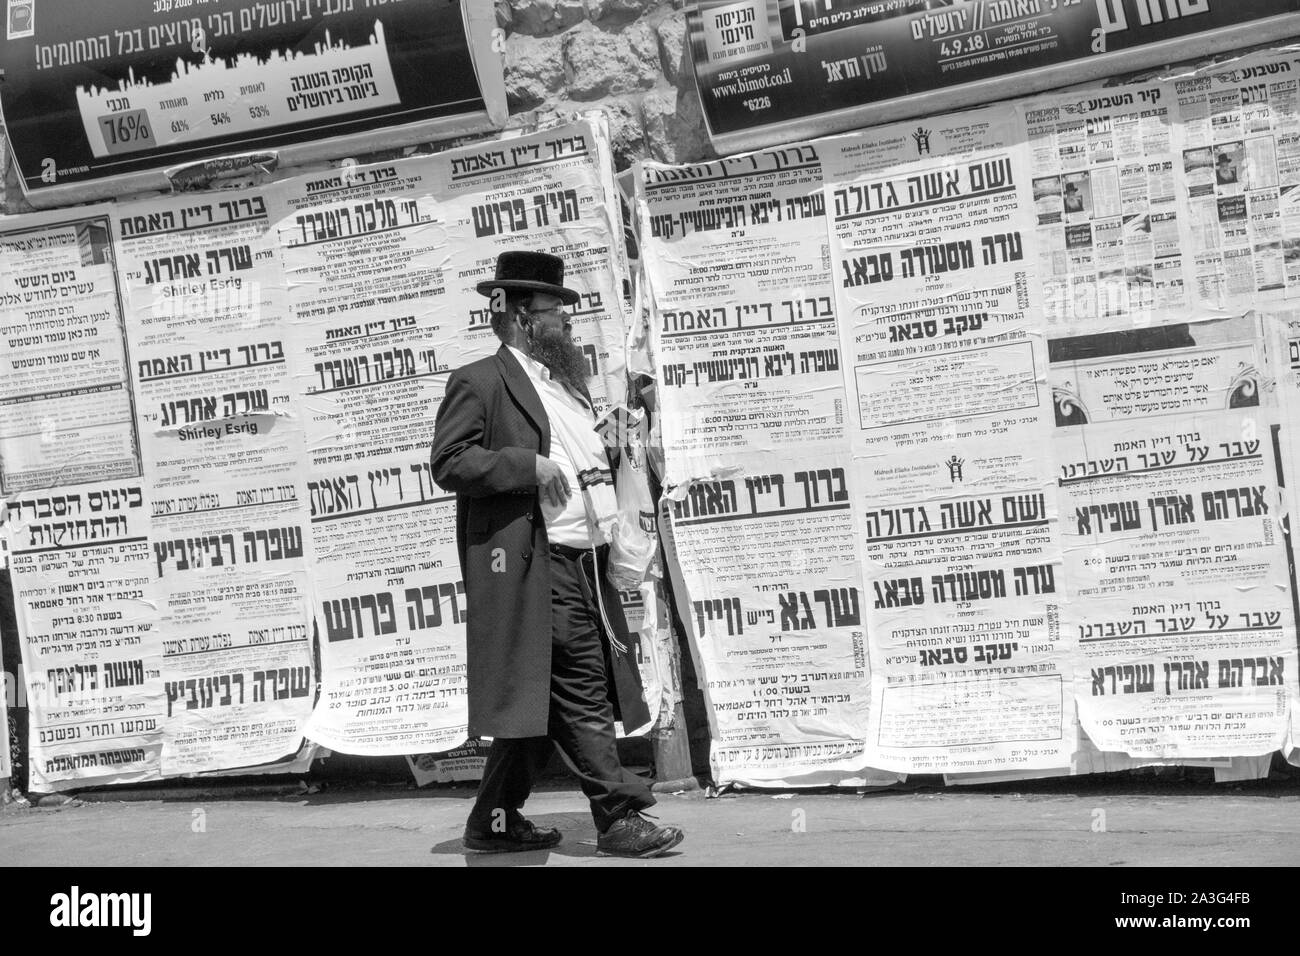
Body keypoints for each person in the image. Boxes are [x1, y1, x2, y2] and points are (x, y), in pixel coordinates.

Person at [430, 250, 684, 858]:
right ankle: (618, 817)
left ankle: (491, 821)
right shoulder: (481, 381)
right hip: (538, 565)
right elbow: (449, 461)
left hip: (586, 560)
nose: (569, 325)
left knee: (538, 701)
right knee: (582, 688)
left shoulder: (567, 385)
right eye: (557, 313)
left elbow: (579, 457)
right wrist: (526, 466)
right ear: (521, 316)